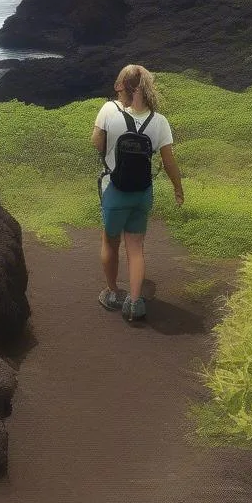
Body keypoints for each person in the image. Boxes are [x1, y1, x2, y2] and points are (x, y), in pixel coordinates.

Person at [91, 64, 183, 322]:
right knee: (136, 247)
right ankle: (135, 302)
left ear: (121, 86)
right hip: (142, 193)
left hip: (115, 191)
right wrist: (178, 188)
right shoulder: (159, 121)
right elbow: (169, 162)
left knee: (110, 241)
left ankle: (112, 293)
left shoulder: (109, 110)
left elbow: (97, 142)